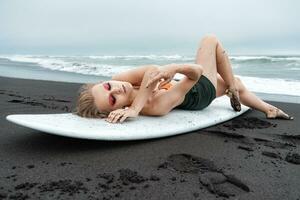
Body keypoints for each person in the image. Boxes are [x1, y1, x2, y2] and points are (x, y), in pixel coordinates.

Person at [74, 35, 294, 123]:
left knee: (234, 81)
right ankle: (233, 92)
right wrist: (174, 66)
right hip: (199, 94)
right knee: (210, 40)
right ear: (115, 110)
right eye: (113, 99)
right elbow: (197, 72)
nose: (116, 89)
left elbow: (151, 69)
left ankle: (268, 109)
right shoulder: (155, 105)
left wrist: (135, 106)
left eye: (107, 86)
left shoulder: (121, 80)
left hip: (183, 85)